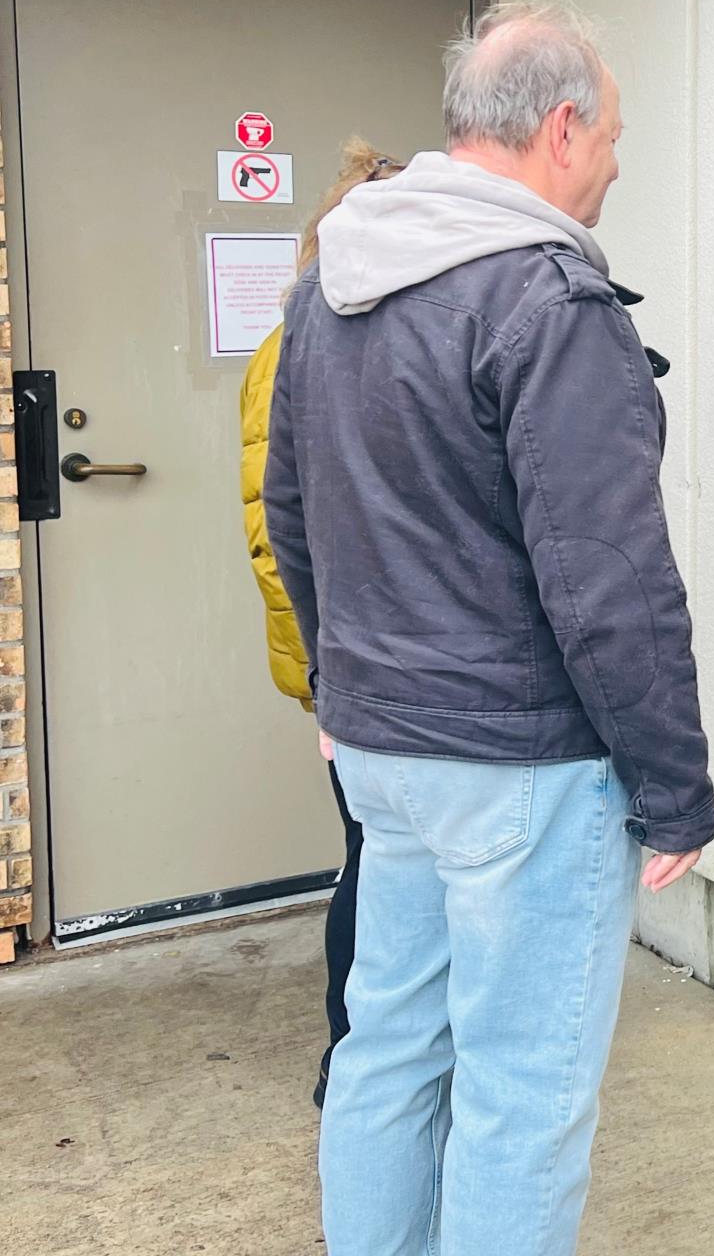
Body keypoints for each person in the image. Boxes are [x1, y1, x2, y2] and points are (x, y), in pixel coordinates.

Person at [264, 1, 714, 1255]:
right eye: (615, 134)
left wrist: (332, 695)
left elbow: (290, 507)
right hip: (521, 766)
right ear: (561, 126)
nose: (618, 161)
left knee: (387, 1052)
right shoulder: (546, 298)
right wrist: (676, 788)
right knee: (522, 1096)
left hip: (384, 755)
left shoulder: (334, 282)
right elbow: (608, 579)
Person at [240, 139, 406, 1112]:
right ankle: (351, 1055)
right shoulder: (296, 346)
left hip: (380, 662)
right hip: (345, 668)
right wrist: (325, 681)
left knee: (390, 860)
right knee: (374, 861)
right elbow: (276, 536)